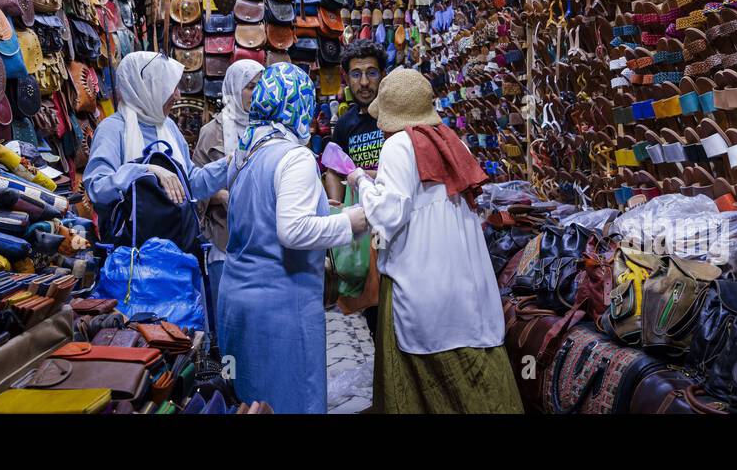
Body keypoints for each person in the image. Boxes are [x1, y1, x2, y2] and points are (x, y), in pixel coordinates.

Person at [349, 67, 522, 414]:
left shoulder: (398, 145)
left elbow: (389, 213)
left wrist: (361, 182)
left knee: (420, 379)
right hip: (463, 280)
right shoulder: (447, 139)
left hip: (423, 281)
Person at [207, 62, 368, 413]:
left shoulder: (250, 150)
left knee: (249, 399)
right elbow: (292, 230)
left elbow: (201, 185)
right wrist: (352, 222)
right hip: (281, 309)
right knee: (291, 400)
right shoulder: (293, 156)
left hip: (237, 303)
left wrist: (151, 167)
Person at [191, 59, 264, 309]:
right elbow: (195, 186)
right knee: (227, 311)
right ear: (234, 88)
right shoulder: (212, 132)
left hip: (262, 237)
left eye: (261, 86)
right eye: (250, 87)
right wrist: (221, 195)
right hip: (224, 236)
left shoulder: (267, 129)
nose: (257, 93)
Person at [83, 51, 190, 214]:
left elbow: (190, 181)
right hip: (132, 237)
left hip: (176, 233)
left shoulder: (167, 126)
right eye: (170, 86)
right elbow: (97, 188)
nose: (178, 95)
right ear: (145, 87)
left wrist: (230, 163)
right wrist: (145, 171)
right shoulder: (112, 129)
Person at [323, 39, 387, 203]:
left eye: (372, 73)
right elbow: (334, 171)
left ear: (383, 74)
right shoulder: (344, 124)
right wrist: (336, 208)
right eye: (356, 74)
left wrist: (363, 175)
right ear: (346, 77)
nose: (364, 82)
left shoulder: (396, 117)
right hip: (361, 214)